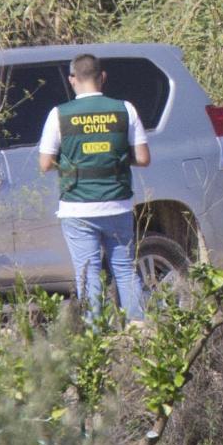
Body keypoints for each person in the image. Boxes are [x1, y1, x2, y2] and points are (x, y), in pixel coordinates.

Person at [38, 54, 150, 323]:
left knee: (87, 275)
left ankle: (94, 340)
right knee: (124, 270)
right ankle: (141, 333)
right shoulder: (125, 109)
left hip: (77, 207)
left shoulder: (59, 114)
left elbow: (45, 163)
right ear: (102, 77)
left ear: (72, 79)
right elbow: (144, 158)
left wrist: (74, 163)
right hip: (117, 203)